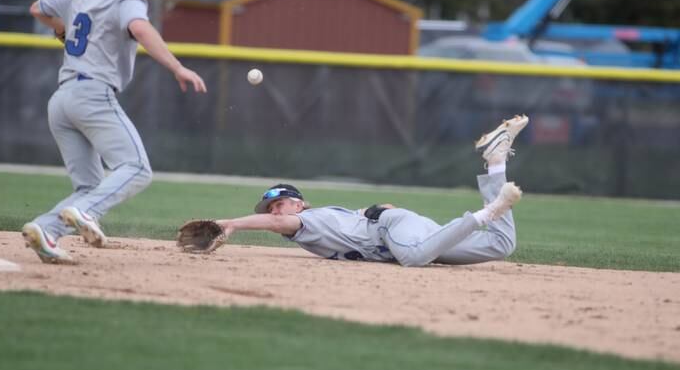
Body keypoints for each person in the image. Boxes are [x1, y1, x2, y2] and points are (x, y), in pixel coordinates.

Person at [22, 0, 207, 264]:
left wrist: (61, 30)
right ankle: (84, 212)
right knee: (136, 168)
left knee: (90, 185)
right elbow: (140, 28)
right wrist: (177, 67)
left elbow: (37, 8)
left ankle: (45, 230)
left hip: (62, 98)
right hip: (92, 95)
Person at [213, 115, 529, 267]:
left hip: (397, 235)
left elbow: (278, 225)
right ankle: (497, 161)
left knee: (414, 258)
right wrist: (377, 211)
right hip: (404, 231)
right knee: (501, 244)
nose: (274, 212)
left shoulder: (308, 221)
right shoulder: (325, 220)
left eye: (278, 204)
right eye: (270, 208)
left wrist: (231, 224)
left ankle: (489, 210)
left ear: (298, 204)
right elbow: (377, 210)